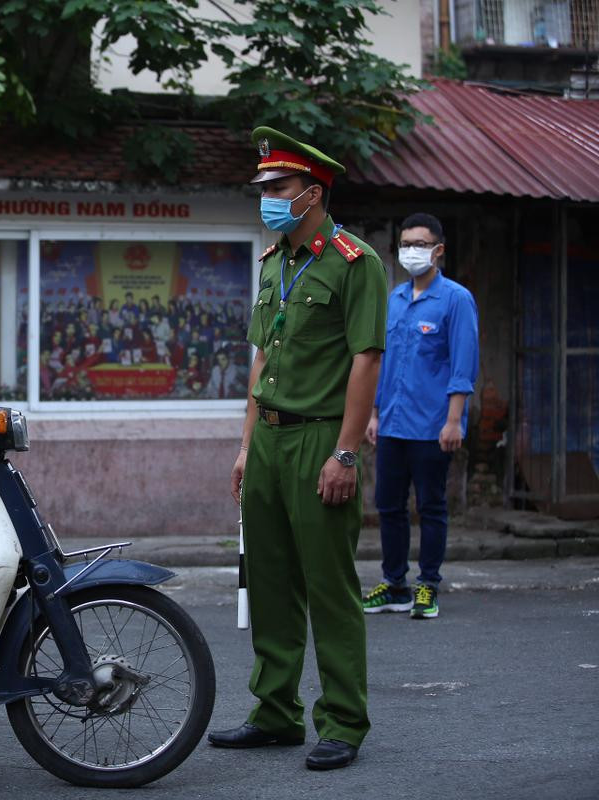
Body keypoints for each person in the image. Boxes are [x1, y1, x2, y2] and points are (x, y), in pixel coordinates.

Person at [210, 127, 388, 771]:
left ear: (311, 193)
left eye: (277, 188)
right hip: (269, 441)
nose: (267, 199)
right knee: (271, 581)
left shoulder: (354, 261)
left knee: (329, 587)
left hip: (320, 436)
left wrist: (345, 453)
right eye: (264, 189)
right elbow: (263, 360)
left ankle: (342, 720)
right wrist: (244, 446)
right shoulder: (275, 262)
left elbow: (366, 360)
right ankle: (275, 713)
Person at [364, 213, 478, 619]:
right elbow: (382, 363)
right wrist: (373, 414)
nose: (412, 251)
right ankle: (394, 584)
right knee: (388, 506)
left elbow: (463, 366)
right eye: (406, 244)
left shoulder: (456, 300)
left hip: (433, 426)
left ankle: (427, 584)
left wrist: (453, 420)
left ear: (438, 250)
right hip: (392, 423)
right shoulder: (393, 299)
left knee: (430, 506)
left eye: (420, 244)